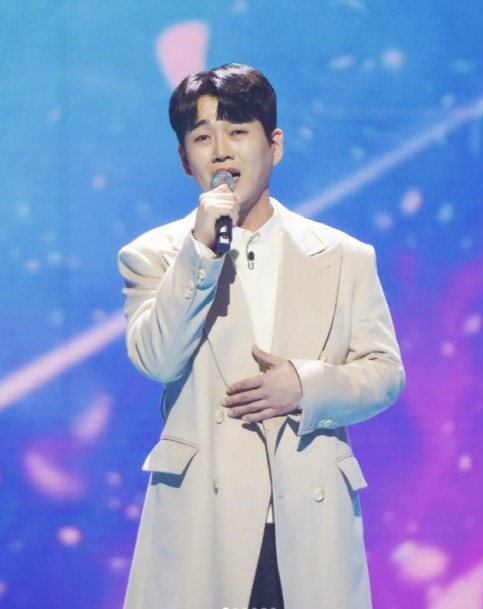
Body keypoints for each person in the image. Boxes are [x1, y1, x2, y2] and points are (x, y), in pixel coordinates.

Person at [118, 63, 405, 609]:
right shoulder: (153, 256)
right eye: (203, 137)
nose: (222, 151)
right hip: (205, 523)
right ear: (184, 158)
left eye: (238, 131)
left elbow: (385, 373)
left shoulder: (344, 256)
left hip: (307, 520)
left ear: (274, 145)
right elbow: (157, 359)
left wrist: (306, 386)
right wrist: (200, 252)